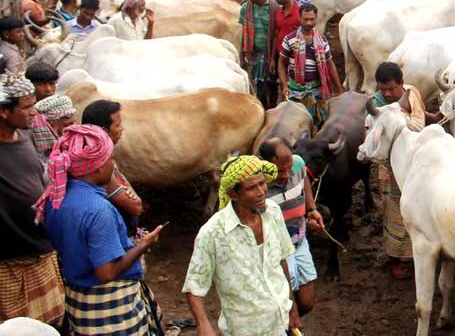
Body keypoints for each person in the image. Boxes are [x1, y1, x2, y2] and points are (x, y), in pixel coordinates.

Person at [37, 125, 165, 336]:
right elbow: (106, 272)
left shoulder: (55, 198)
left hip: (79, 302)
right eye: (110, 159)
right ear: (96, 167)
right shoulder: (99, 210)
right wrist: (144, 244)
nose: (113, 165)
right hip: (111, 310)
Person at [183, 155, 301, 336]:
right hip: (244, 330)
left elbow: (281, 260)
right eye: (252, 188)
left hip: (280, 323)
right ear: (233, 194)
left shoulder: (273, 212)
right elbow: (194, 286)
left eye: (262, 183)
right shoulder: (213, 232)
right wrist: (203, 324)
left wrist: (292, 308)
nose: (262, 191)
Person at [0, 75, 65, 327]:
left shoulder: (24, 139)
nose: (33, 112)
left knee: (47, 326)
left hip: (41, 255)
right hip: (8, 265)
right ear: (4, 111)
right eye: (27, 107)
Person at [370, 62, 430, 280]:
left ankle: (417, 254)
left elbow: (420, 116)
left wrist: (434, 119)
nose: (386, 94)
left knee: (419, 208)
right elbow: (373, 140)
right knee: (394, 212)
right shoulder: (375, 106)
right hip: (391, 168)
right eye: (382, 89)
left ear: (402, 84)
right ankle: (395, 259)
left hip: (417, 162)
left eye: (391, 89)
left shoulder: (411, 93)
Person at [258, 138, 324, 318]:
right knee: (285, 301)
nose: (287, 174)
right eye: (280, 171)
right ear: (266, 164)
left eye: (289, 168)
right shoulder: (257, 186)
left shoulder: (297, 163)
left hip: (299, 239)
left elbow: (304, 181)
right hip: (277, 249)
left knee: (307, 302)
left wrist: (311, 209)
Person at [81, 100, 144, 236]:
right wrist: (128, 193)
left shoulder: (97, 156)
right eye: (118, 125)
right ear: (103, 131)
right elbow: (136, 206)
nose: (122, 129)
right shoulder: (99, 166)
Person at [278, 3, 343, 124]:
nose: (308, 23)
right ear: (299, 18)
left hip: (316, 92)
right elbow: (281, 63)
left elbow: (330, 64)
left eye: (312, 19)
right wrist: (284, 85)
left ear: (316, 19)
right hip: (295, 91)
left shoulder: (322, 40)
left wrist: (339, 89)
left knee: (318, 124)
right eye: (305, 19)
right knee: (293, 123)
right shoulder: (289, 39)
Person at [239, 0, 277, 108]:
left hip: (271, 52)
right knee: (258, 83)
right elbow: (243, 32)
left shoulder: (274, 6)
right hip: (254, 53)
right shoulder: (245, 8)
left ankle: (273, 107)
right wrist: (242, 55)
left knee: (272, 83)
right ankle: (263, 107)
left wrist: (273, 58)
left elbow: (277, 33)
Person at [25, 62, 59, 158]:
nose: (48, 89)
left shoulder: (63, 109)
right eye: (40, 84)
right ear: (29, 85)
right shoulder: (24, 113)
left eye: (52, 84)